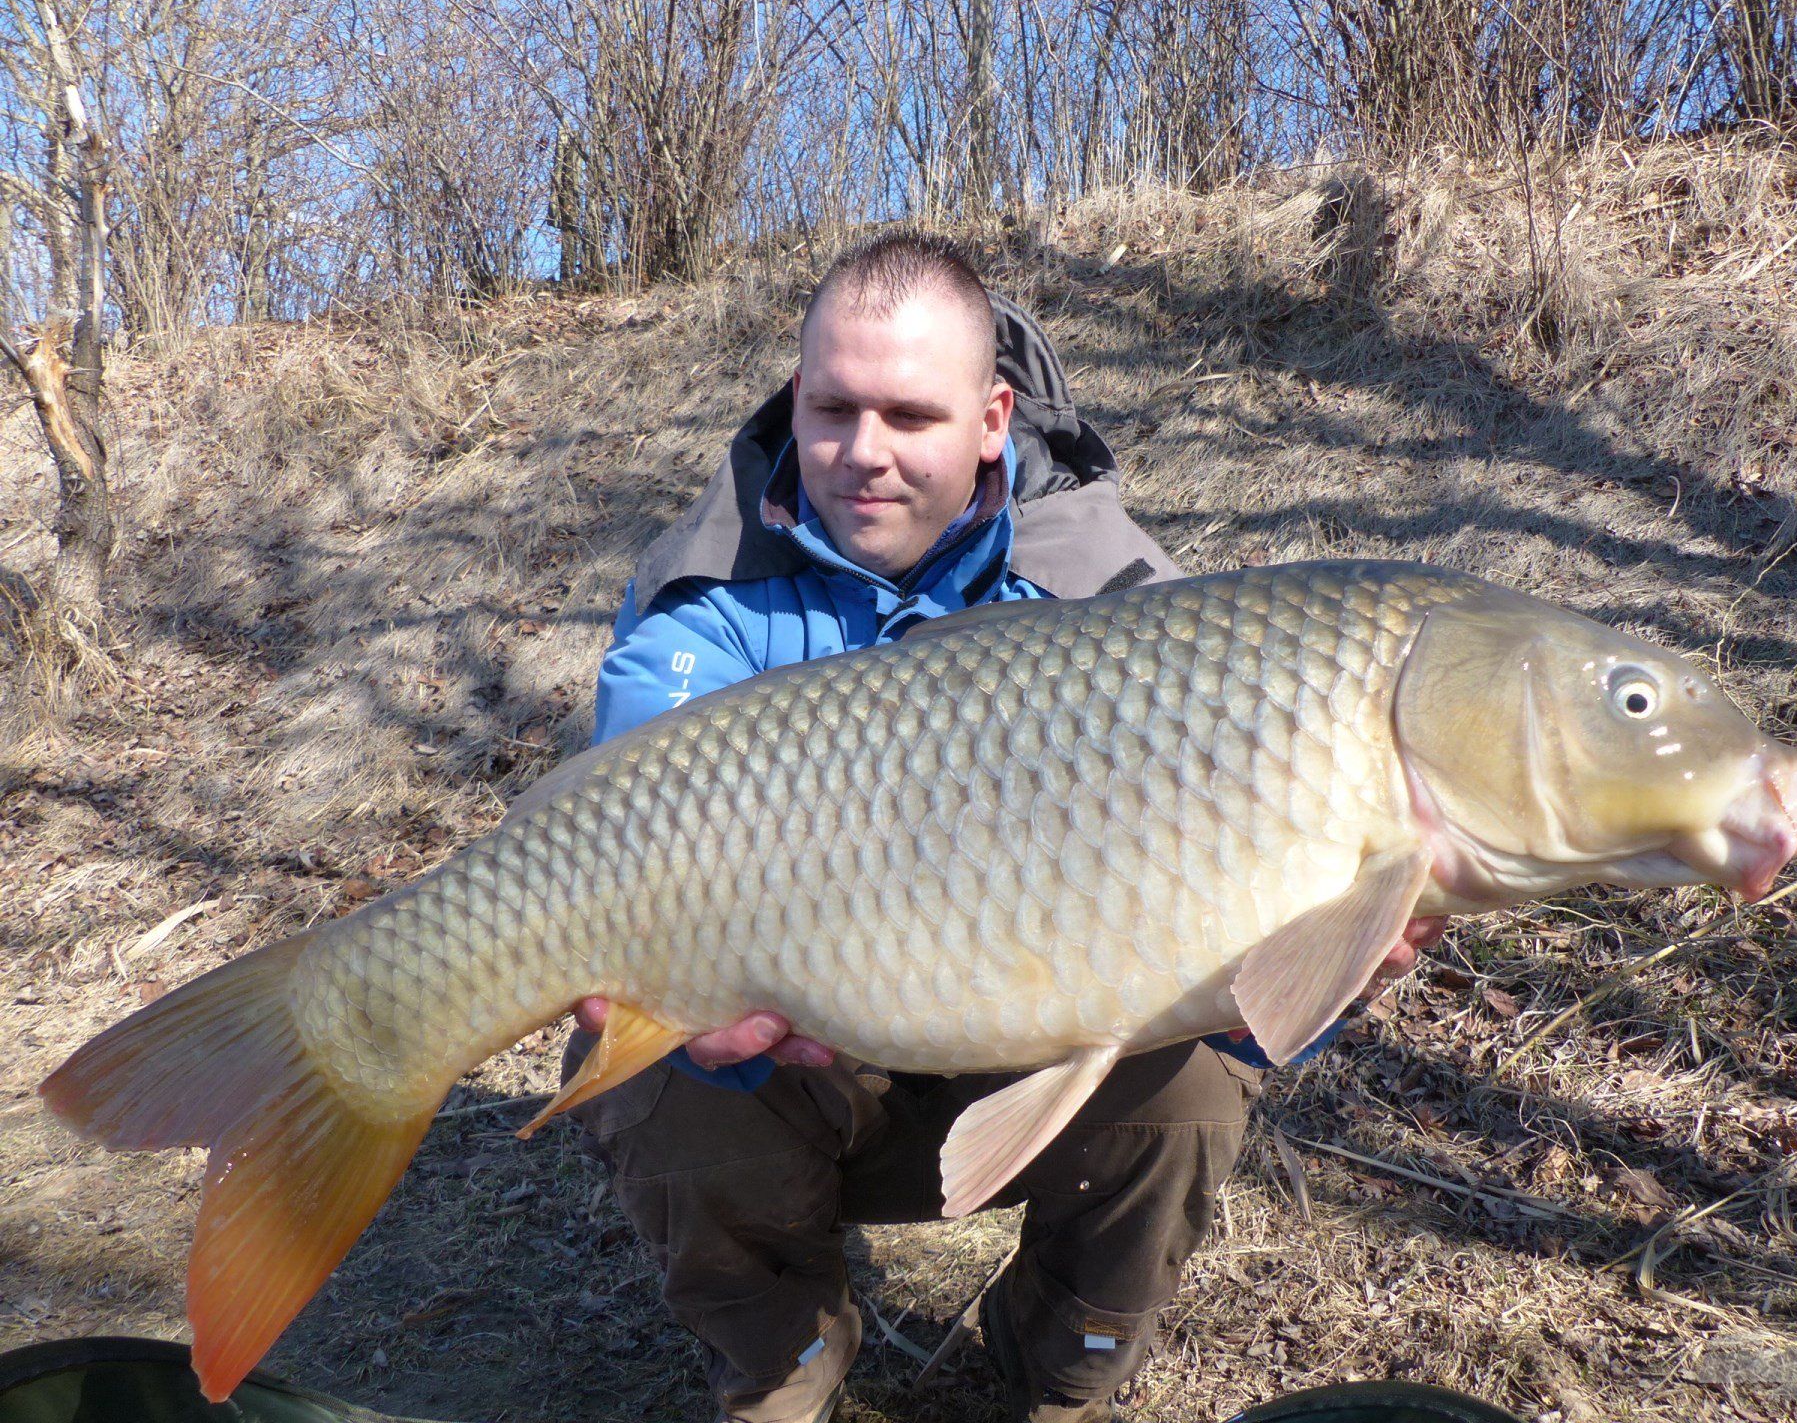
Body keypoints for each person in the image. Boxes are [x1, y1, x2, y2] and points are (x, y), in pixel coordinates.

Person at [562, 232, 1438, 1423]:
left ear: (993, 418)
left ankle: (1058, 1365)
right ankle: (782, 1362)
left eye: (910, 417)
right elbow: (617, 851)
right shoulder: (705, 603)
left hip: (1038, 1048)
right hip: (811, 1050)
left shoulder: (1125, 604)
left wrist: (1323, 970)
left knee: (1187, 1085)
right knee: (654, 1072)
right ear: (796, 396)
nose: (861, 455)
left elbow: (1245, 1012)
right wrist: (701, 1014)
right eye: (831, 410)